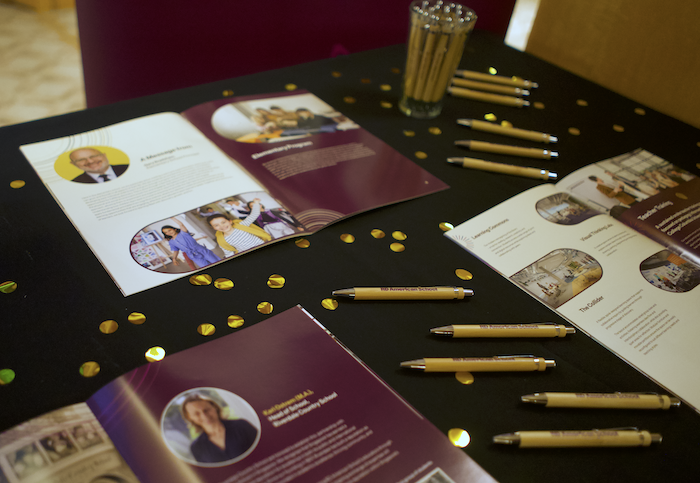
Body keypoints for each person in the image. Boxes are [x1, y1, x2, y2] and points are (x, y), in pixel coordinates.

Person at [181, 394, 258, 464]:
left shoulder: (241, 425)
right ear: (189, 418)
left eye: (206, 410)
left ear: (214, 407)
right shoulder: (196, 448)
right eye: (196, 414)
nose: (204, 416)